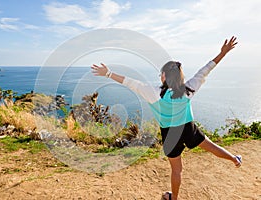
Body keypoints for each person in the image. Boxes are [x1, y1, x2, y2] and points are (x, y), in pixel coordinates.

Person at [91, 36, 242, 200]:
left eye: (161, 73)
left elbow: (129, 82)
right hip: (188, 129)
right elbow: (206, 69)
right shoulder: (188, 89)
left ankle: (174, 198)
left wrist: (109, 73)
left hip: (169, 134)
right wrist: (223, 53)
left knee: (176, 170)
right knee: (212, 147)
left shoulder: (154, 92)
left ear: (165, 76)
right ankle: (235, 159)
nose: (160, 75)